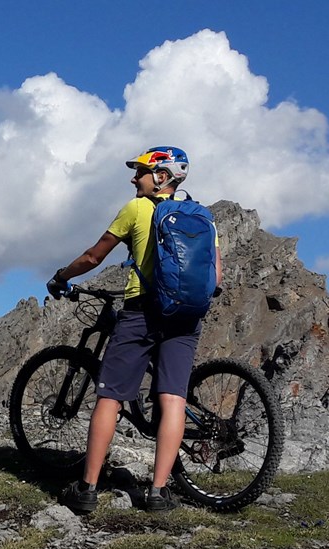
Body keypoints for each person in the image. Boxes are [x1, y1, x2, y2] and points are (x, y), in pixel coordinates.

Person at [45, 146, 220, 513]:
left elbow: (94, 256)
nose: (132, 178)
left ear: (159, 176)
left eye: (139, 171)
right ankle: (158, 494)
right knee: (173, 398)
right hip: (186, 317)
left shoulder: (137, 209)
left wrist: (62, 276)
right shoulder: (204, 217)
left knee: (109, 396)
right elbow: (215, 276)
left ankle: (87, 489)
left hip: (142, 311)